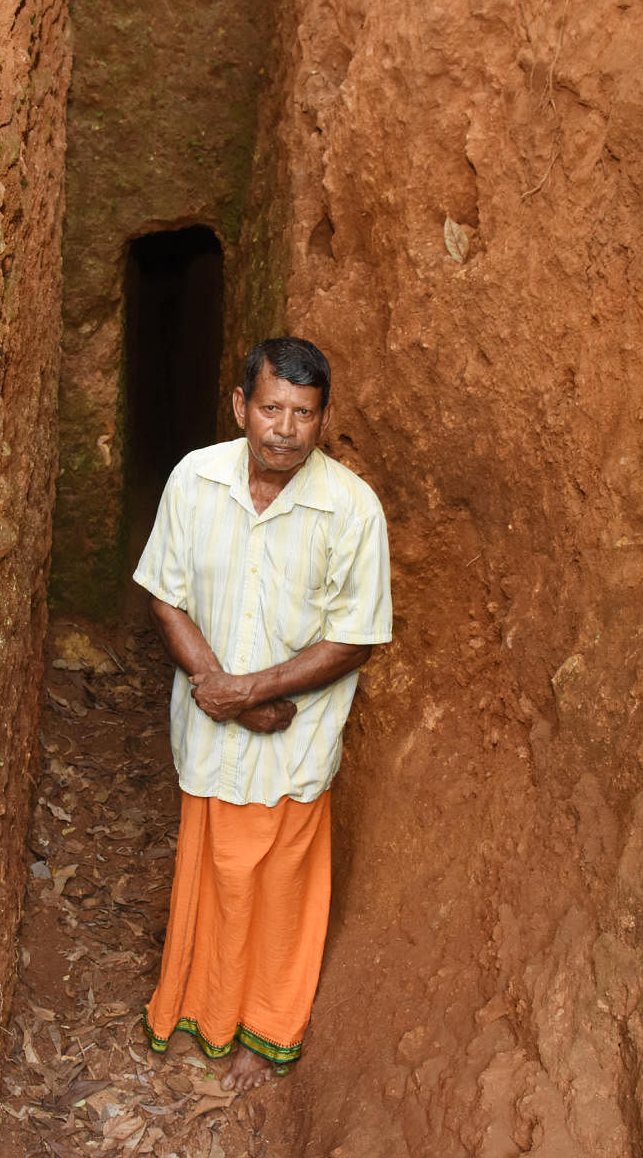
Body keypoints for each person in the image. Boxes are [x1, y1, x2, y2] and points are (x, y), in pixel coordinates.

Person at [133, 336, 392, 1091]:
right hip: (215, 733)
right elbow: (165, 593)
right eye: (271, 407)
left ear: (323, 421)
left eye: (303, 414)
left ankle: (266, 1033)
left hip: (294, 742)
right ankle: (198, 1014)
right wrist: (223, 689)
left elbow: (356, 637)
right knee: (212, 875)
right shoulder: (194, 479)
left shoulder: (351, 508)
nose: (285, 427)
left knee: (280, 891)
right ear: (241, 406)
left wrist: (250, 691)